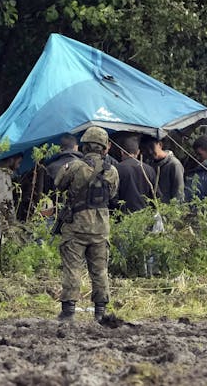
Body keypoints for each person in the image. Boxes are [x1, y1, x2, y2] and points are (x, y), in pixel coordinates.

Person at [54, 126, 119, 322]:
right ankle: (100, 311)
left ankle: (68, 311)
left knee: (72, 268)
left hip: (77, 225)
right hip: (101, 227)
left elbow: (59, 184)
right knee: (100, 270)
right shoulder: (112, 170)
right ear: (104, 147)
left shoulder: (74, 166)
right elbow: (113, 194)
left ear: (84, 146)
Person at [115, 134, 156, 213]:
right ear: (138, 152)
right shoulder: (149, 169)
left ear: (122, 152)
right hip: (145, 216)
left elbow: (113, 196)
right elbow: (155, 195)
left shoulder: (117, 169)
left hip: (123, 217)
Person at [142, 135, 185, 203]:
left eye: (151, 147)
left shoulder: (174, 164)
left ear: (160, 145)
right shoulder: (149, 164)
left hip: (168, 210)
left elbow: (179, 193)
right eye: (146, 149)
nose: (149, 151)